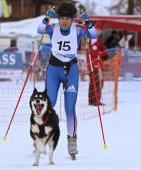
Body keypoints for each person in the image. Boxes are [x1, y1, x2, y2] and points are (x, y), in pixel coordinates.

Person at [37, 1, 98, 158]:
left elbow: (94, 35)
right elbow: (39, 30)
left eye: (67, 18)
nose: (64, 21)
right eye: (62, 18)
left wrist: (88, 22)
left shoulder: (78, 30)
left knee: (69, 108)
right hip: (54, 70)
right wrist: (46, 19)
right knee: (49, 104)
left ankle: (72, 141)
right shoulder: (53, 28)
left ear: (72, 19)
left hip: (71, 70)